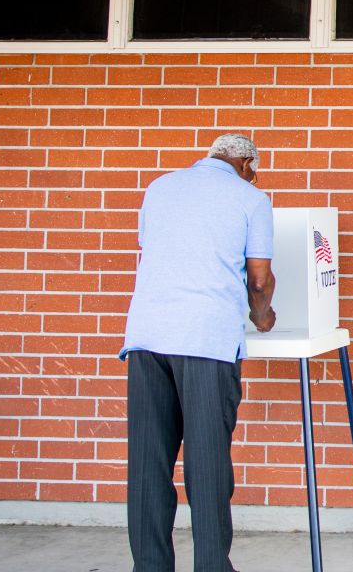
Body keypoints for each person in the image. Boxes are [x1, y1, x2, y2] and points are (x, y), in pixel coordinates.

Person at [120, 133, 277, 572]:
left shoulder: (159, 187)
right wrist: (262, 317)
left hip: (147, 335)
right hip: (205, 340)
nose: (255, 176)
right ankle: (211, 566)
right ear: (245, 162)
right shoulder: (251, 198)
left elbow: (158, 253)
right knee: (206, 464)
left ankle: (150, 566)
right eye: (255, 169)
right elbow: (260, 280)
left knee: (149, 463)